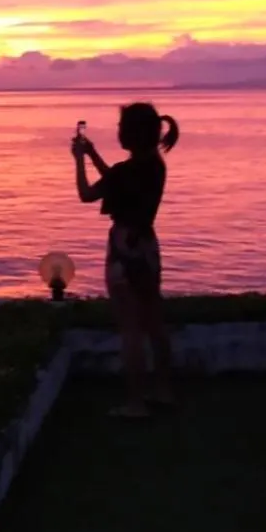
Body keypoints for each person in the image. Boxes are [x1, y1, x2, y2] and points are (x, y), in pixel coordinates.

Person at [73, 103, 180, 418]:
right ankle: (163, 391)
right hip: (147, 247)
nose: (117, 131)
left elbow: (87, 194)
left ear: (132, 133)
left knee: (130, 329)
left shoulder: (126, 171)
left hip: (123, 250)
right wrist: (93, 154)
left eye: (121, 127)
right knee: (154, 323)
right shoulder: (154, 166)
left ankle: (135, 403)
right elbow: (119, 182)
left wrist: (79, 160)